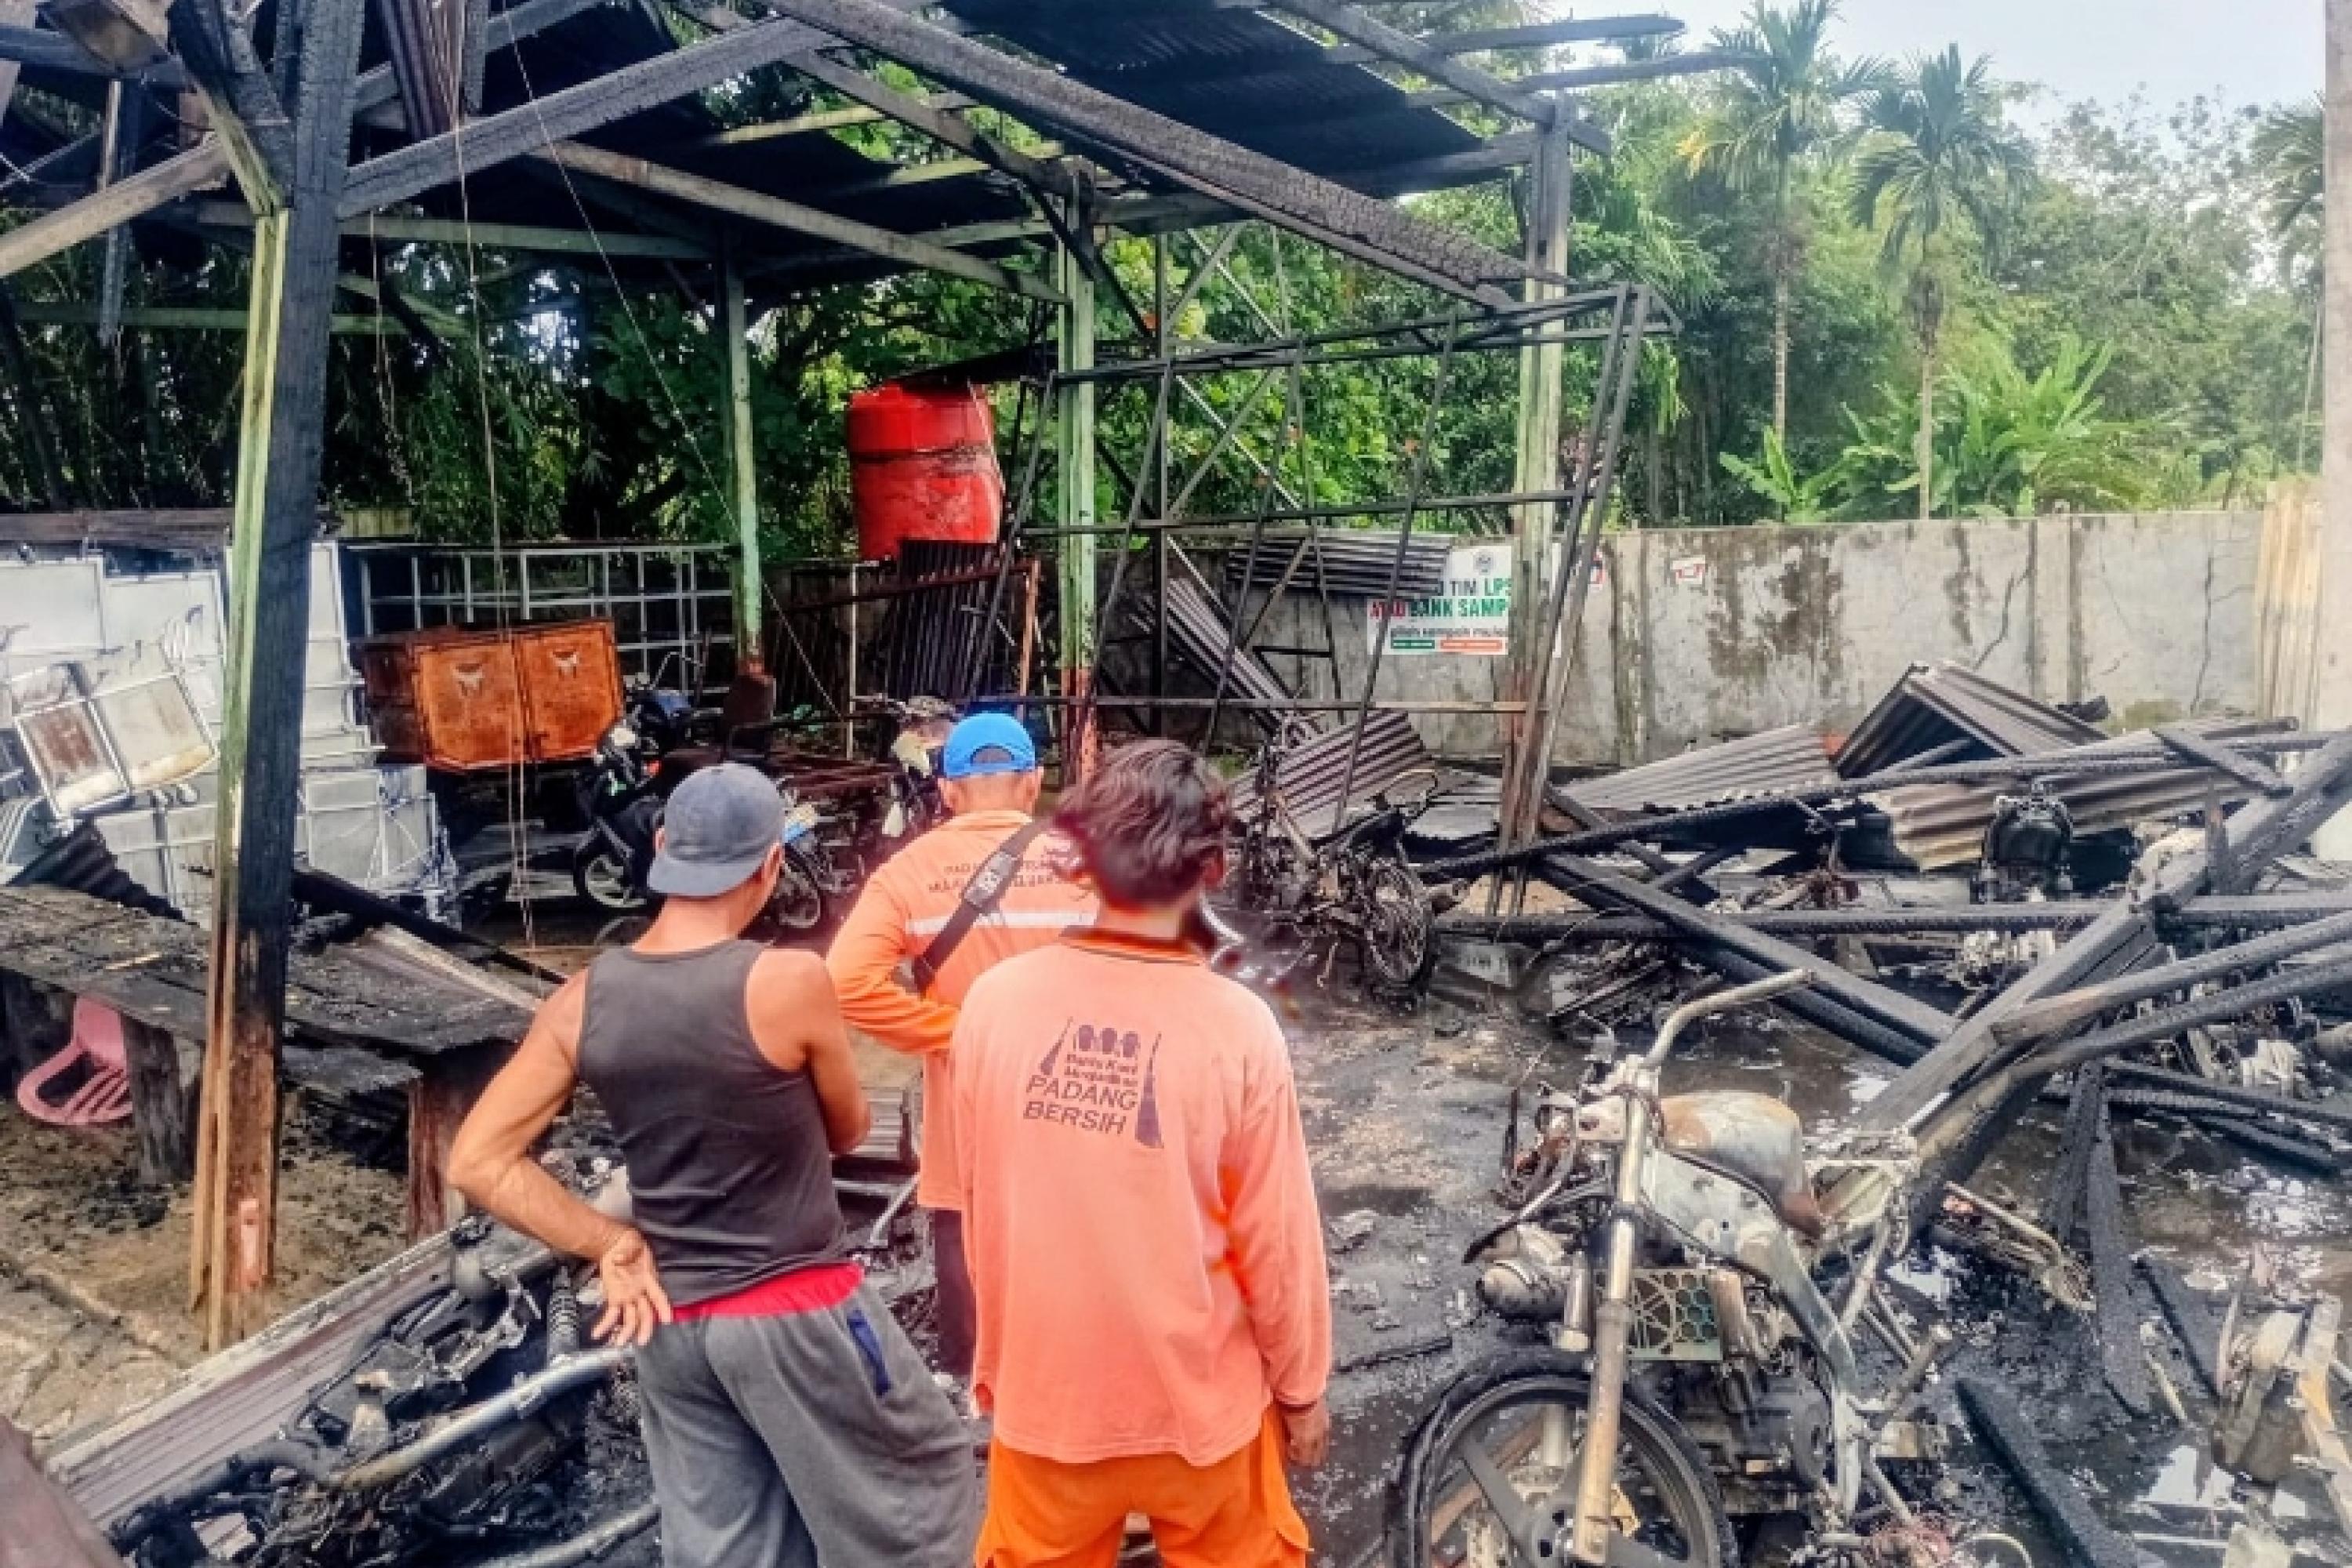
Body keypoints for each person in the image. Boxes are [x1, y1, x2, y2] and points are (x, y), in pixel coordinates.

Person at [448, 764, 975, 1568]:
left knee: (732, 1548)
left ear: (662, 846)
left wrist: (610, 1243)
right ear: (769, 866)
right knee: (916, 1503)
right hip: (799, 1309)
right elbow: (850, 1125)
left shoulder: (583, 997)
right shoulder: (787, 980)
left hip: (673, 1326)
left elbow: (478, 1160)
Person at [942, 739, 1333, 1568]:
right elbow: (1276, 1242)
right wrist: (1301, 1391)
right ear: (1215, 868)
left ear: (1080, 860)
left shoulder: (993, 1005)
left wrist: (998, 1364)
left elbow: (986, 1202)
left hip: (1046, 1408)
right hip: (1202, 1420)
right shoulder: (1236, 1027)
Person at [826, 711, 1095, 1387]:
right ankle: (1075, 1365)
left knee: (964, 1224)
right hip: (1085, 1091)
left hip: (969, 1098)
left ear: (947, 791)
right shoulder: (1085, 859)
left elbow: (845, 983)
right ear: (1033, 783)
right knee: (1082, 1218)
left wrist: (956, 1033)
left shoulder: (907, 873)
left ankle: (971, 1376)